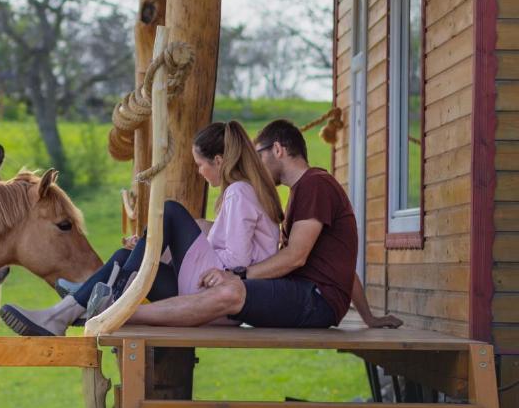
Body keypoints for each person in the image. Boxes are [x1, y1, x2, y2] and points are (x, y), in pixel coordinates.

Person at [0, 120, 283, 337]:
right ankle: (60, 315)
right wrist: (153, 245)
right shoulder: (244, 192)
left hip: (221, 298)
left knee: (170, 211)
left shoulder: (240, 193)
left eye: (200, 165)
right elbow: (226, 244)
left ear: (218, 161)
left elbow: (236, 263)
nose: (199, 172)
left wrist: (161, 245)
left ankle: (110, 293)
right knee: (127, 257)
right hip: (213, 292)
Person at [124, 119, 402, 330]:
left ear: (278, 149)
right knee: (222, 281)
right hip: (312, 297)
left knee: (231, 291)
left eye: (259, 154)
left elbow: (296, 256)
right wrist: (370, 317)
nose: (255, 162)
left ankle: (129, 313)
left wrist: (239, 275)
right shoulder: (303, 192)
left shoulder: (314, 185)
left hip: (315, 300)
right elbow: (342, 267)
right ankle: (123, 302)